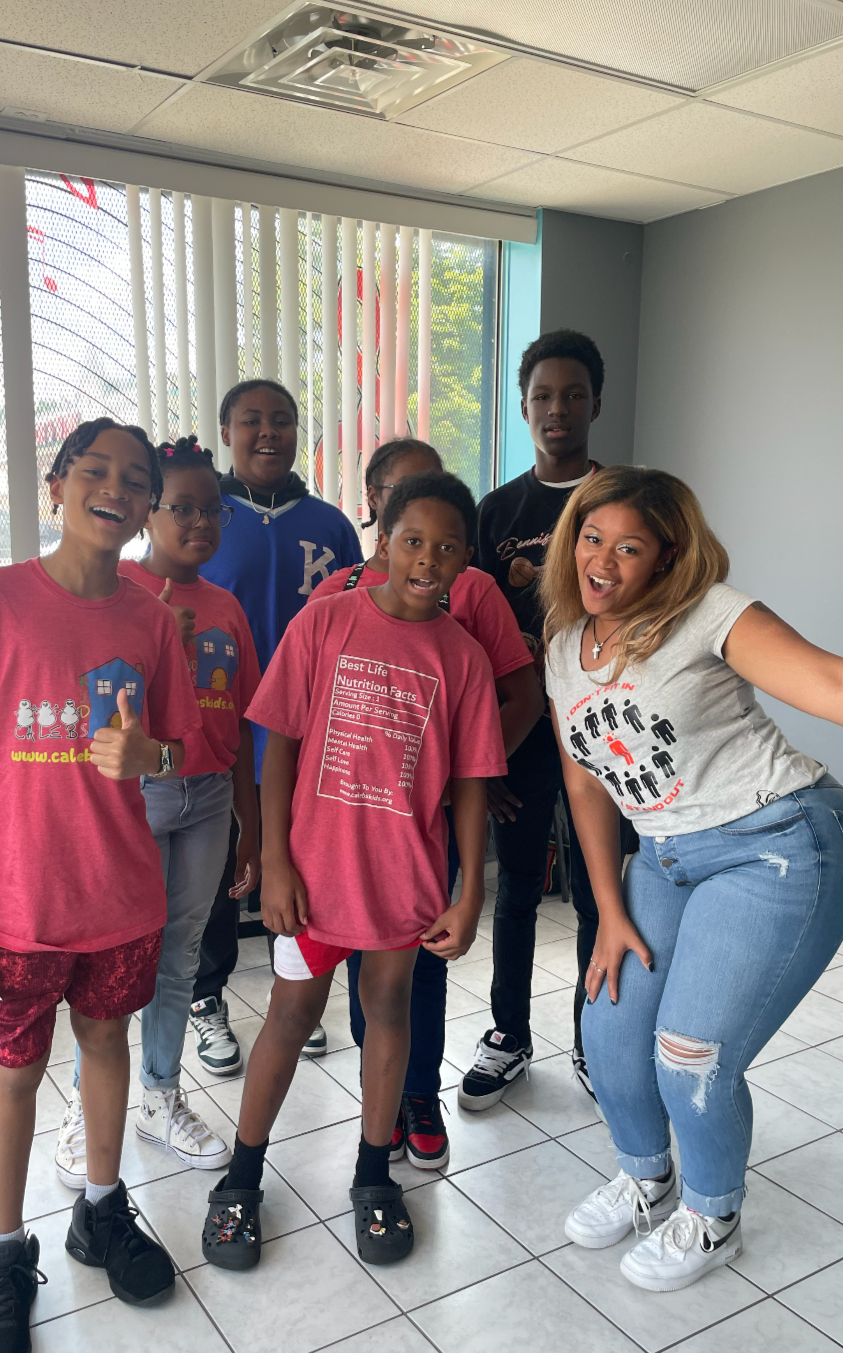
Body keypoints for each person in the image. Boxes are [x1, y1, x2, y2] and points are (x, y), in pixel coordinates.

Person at [545, 465, 843, 1291]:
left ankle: (712, 1213)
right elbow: (586, 785)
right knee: (609, 1030)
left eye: (629, 547)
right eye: (592, 537)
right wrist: (609, 908)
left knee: (690, 1054)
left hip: (778, 841)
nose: (602, 561)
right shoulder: (562, 648)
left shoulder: (707, 614)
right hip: (665, 857)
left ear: (667, 556)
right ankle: (646, 1176)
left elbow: (833, 682)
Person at [0, 419, 200, 1351]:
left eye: (135, 479)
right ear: (56, 484)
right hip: (19, 906)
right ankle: (6, 1257)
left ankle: (101, 1207)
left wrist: (149, 754)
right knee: (14, 1071)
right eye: (95, 470)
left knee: (106, 1044)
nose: (115, 489)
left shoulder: (151, 618)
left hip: (120, 897)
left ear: (148, 505)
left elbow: (181, 748)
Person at [199, 473, 506, 1271]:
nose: (428, 559)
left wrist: (470, 890)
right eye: (413, 541)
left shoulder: (464, 659)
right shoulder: (325, 622)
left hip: (404, 880)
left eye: (447, 547)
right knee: (290, 1015)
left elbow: (472, 785)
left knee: (388, 1009)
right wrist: (274, 858)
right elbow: (278, 746)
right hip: (312, 876)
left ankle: (374, 1172)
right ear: (382, 541)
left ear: (465, 559)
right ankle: (241, 1175)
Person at [312, 439, 541, 1167]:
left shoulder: (472, 592)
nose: (427, 543)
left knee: (424, 961)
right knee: (366, 969)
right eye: (405, 499)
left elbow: (522, 695)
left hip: (424, 825)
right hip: (348, 822)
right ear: (380, 510)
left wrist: (470, 771)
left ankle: (418, 1092)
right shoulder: (336, 596)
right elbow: (307, 717)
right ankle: (379, 1090)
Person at [53, 435, 261, 1189]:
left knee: (180, 956)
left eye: (213, 510)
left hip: (207, 801)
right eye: (182, 507)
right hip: (134, 800)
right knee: (111, 959)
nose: (199, 522)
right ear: (148, 512)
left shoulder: (228, 609)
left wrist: (251, 827)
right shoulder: (120, 593)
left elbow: (240, 727)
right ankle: (87, 1104)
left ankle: (160, 1095)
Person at [467, 328, 634, 1110]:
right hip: (525, 733)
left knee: (602, 894)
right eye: (542, 396)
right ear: (523, 405)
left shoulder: (625, 500)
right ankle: (508, 1034)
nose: (556, 409)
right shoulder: (497, 509)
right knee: (516, 890)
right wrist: (488, 750)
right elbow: (469, 634)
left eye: (573, 394)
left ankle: (595, 1039)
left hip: (609, 732)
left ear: (596, 404)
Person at [189, 379, 362, 1074]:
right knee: (218, 874)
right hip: (221, 730)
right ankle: (206, 998)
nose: (268, 432)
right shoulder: (206, 518)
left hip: (307, 736)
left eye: (282, 420)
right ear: (226, 431)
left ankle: (295, 996)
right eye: (252, 420)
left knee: (296, 867)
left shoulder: (331, 525)